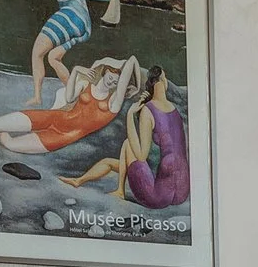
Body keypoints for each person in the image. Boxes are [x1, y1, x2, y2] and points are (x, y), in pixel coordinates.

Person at [60, 66, 188, 209]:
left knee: (128, 144)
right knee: (112, 162)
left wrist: (130, 115)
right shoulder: (174, 110)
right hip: (181, 192)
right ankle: (80, 180)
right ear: (163, 81)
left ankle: (119, 190)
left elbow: (140, 156)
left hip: (157, 198)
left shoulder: (148, 109)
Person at [0, 57, 142, 155]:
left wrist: (136, 83)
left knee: (9, 144)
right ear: (104, 72)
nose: (112, 80)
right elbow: (69, 97)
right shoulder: (87, 86)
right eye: (110, 75)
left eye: (117, 80)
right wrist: (76, 70)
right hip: (54, 117)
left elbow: (132, 60)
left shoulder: (114, 102)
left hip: (63, 135)